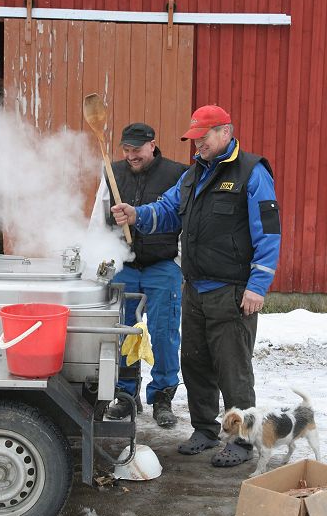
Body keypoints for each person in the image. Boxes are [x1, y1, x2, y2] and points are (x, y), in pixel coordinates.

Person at [110, 105, 281, 467]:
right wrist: (136, 214)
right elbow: (169, 210)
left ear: (225, 132)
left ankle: (242, 438)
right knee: (196, 363)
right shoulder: (192, 176)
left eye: (203, 138)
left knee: (233, 369)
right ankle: (205, 429)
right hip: (195, 288)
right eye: (193, 139)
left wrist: (259, 285)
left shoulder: (251, 172)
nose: (197, 145)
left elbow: (268, 232)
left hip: (233, 291)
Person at [90, 122, 188, 427]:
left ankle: (162, 397)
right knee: (123, 331)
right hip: (125, 266)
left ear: (152, 145)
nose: (131, 156)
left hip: (162, 265)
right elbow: (97, 219)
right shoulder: (111, 172)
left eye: (137, 150)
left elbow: (186, 221)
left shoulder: (177, 174)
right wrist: (96, 260)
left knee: (164, 332)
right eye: (127, 149)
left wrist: (180, 263)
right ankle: (125, 395)